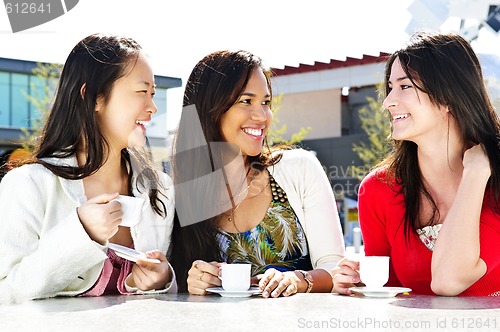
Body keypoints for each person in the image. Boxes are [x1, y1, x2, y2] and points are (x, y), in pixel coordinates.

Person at [0, 33, 176, 304]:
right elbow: (5, 294)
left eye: (153, 94)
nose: (152, 107)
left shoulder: (160, 189)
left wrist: (162, 280)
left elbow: (171, 301)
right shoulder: (28, 185)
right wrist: (80, 234)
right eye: (142, 91)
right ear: (92, 97)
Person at [333, 31, 500, 296]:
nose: (387, 102)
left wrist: (477, 174)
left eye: (405, 86)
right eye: (390, 88)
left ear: (447, 95)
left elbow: (448, 280)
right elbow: (390, 296)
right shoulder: (378, 189)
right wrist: (359, 282)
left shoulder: (495, 180)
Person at [169, 50, 345, 298]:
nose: (262, 116)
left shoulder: (300, 169)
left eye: (265, 102)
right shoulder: (180, 193)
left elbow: (337, 271)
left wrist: (297, 280)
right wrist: (195, 281)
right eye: (246, 101)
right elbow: (169, 285)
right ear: (209, 109)